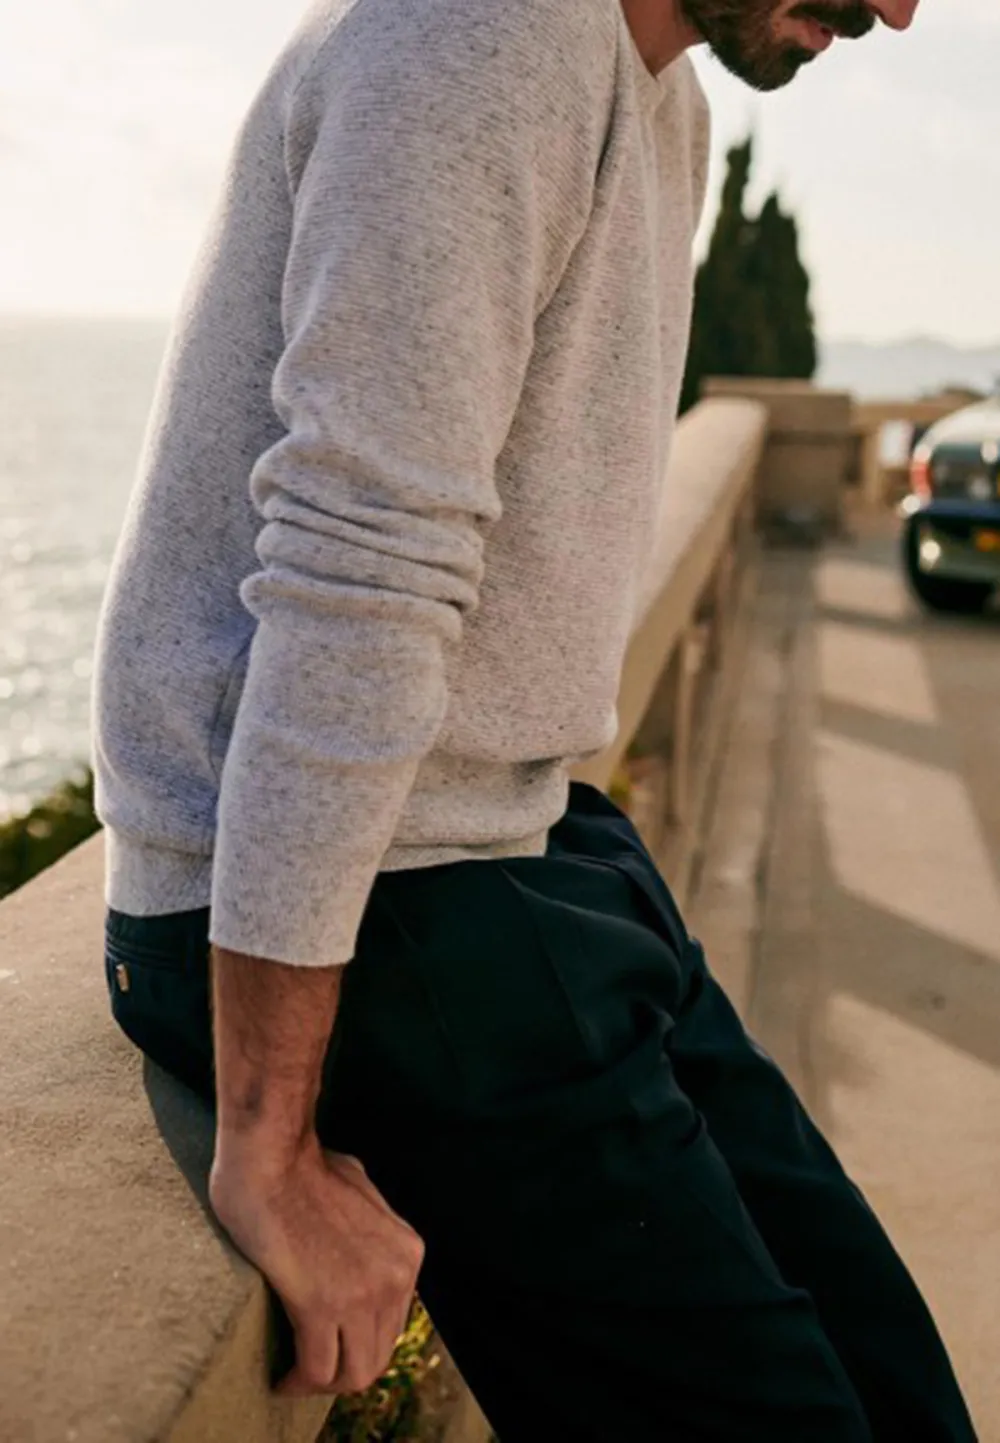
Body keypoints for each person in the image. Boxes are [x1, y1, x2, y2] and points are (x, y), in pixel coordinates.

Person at [93, 0, 977, 1437]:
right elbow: (360, 573)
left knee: (896, 1385)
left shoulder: (662, 100)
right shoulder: (477, 37)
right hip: (349, 909)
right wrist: (268, 1143)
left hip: (521, 842)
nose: (898, 8)